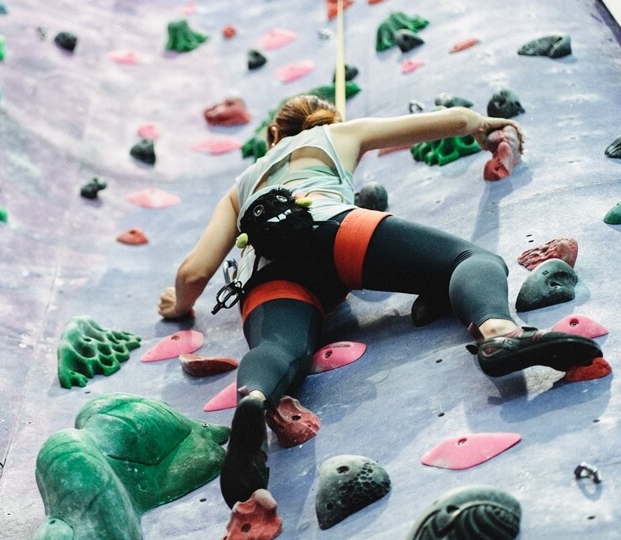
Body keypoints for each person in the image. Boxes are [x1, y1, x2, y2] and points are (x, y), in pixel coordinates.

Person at [157, 95, 603, 509]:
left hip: (266, 273)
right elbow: (446, 121)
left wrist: (178, 306)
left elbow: (194, 272)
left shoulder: (239, 188)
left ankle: (253, 400)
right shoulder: (335, 135)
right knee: (468, 260)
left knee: (278, 350)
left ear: (272, 136)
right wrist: (483, 126)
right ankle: (500, 333)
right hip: (332, 231)